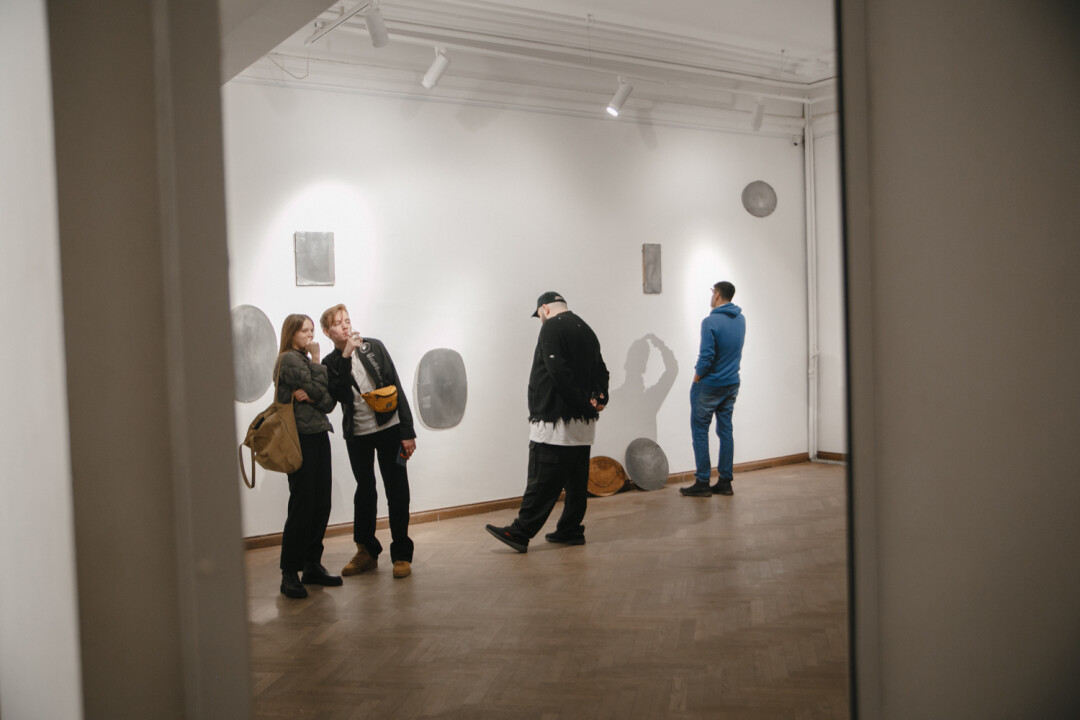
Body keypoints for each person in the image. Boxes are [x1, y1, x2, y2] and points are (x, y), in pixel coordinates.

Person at [486, 291, 610, 552]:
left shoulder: (551, 327)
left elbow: (558, 372)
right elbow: (602, 369)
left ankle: (520, 532)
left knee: (541, 480)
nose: (540, 319)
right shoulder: (586, 329)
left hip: (554, 422)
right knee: (576, 484)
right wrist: (600, 398)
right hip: (583, 426)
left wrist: (580, 402)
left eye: (539, 315)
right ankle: (570, 530)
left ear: (545, 308)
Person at [320, 304, 417, 579]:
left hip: (390, 428)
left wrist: (407, 431)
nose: (344, 326)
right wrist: (345, 356)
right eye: (337, 323)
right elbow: (339, 395)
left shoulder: (373, 347)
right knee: (364, 491)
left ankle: (401, 554)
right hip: (358, 434)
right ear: (327, 332)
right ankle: (366, 551)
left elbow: (396, 384)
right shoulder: (330, 363)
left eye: (347, 320)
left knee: (397, 490)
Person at [274, 314, 341, 599]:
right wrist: (316, 362)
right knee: (302, 505)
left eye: (312, 330)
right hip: (299, 438)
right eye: (305, 331)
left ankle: (312, 565)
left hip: (318, 435)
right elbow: (318, 389)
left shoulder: (304, 361)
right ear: (291, 334)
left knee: (321, 503)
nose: (310, 336)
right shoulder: (288, 360)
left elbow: (327, 401)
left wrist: (313, 394)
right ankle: (289, 572)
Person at [681, 281, 746, 498]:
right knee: (725, 431)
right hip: (731, 383)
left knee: (700, 431)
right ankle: (725, 482)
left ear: (717, 295)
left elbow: (706, 357)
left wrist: (696, 378)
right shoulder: (741, 319)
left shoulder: (710, 322)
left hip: (710, 385)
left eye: (712, 293)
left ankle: (702, 481)